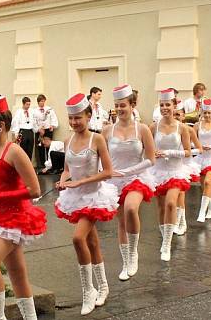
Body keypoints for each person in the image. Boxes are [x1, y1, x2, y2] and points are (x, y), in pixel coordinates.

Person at [0, 96, 46, 320]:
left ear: (0, 126)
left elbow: (35, 190)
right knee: (17, 272)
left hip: (14, 218)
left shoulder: (14, 152)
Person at [54, 93, 119, 315]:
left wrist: (80, 182)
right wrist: (63, 182)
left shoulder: (97, 139)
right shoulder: (68, 140)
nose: (74, 122)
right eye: (71, 118)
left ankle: (88, 291)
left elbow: (108, 172)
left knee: (77, 238)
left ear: (88, 116)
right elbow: (67, 170)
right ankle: (103, 287)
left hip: (94, 197)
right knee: (92, 243)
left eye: (78, 118)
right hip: (75, 198)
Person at [103, 85, 156, 281]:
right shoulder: (107, 131)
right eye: (117, 105)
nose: (119, 109)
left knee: (131, 209)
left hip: (137, 177)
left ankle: (133, 252)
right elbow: (101, 156)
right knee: (122, 222)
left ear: (133, 105)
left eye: (123, 105)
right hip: (114, 180)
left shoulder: (142, 129)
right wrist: (103, 172)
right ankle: (126, 261)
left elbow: (151, 159)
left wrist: (128, 171)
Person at [148, 88, 192, 262]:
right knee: (160, 207)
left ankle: (166, 243)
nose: (164, 108)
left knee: (171, 203)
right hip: (158, 172)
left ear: (174, 105)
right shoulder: (153, 127)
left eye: (167, 104)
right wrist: (153, 154)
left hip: (175, 171)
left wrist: (168, 153)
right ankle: (165, 235)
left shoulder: (182, 128)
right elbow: (147, 149)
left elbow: (188, 152)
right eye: (161, 105)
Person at [173, 100, 202, 236]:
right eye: (174, 115)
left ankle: (181, 222)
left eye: (178, 115)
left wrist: (190, 150)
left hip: (185, 164)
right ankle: (179, 221)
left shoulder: (189, 130)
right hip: (171, 164)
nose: (176, 117)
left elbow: (199, 149)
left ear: (183, 116)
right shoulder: (169, 129)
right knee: (175, 195)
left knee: (180, 193)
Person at [33, 94, 58, 168]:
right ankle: (41, 164)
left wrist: (52, 125)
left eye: (44, 101)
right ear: (38, 102)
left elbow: (54, 118)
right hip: (40, 131)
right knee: (40, 147)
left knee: (49, 146)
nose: (43, 103)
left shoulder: (49, 109)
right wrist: (38, 129)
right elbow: (34, 122)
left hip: (48, 130)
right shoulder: (34, 111)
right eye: (41, 101)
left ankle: (50, 164)